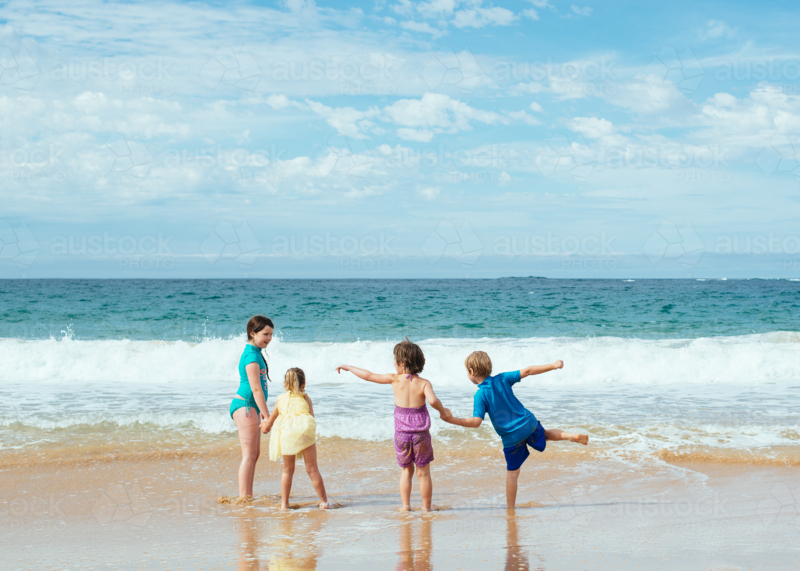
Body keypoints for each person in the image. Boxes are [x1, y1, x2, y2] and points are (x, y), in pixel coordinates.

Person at [441, 351, 588, 508]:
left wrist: (451, 419)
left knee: (512, 473)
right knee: (545, 434)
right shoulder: (503, 378)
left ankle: (510, 509)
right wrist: (553, 365)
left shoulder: (480, 394)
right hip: (528, 423)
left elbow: (476, 422)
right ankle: (571, 436)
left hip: (512, 438)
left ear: (472, 372)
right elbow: (528, 371)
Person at [336, 338, 450, 511]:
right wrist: (443, 411)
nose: (394, 364)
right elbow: (433, 401)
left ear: (402, 363)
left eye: (395, 361)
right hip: (420, 435)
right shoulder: (424, 383)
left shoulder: (394, 379)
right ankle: (427, 508)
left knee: (406, 471)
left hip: (402, 435)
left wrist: (349, 367)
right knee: (423, 473)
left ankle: (405, 506)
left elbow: (368, 376)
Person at [261, 367, 329, 510]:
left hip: (287, 433)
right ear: (303, 384)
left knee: (287, 470)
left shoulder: (280, 400)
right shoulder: (306, 398)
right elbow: (311, 417)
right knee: (312, 469)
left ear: (284, 384)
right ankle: (324, 502)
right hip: (305, 430)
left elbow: (269, 423)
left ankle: (284, 505)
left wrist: (264, 426)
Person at [230, 315, 273, 499]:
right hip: (245, 405)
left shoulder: (256, 352)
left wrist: (263, 412)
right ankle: (244, 498)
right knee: (249, 455)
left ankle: (247, 495)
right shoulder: (251, 356)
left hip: (252, 407)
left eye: (271, 334)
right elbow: (256, 389)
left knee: (254, 454)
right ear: (252, 333)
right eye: (265, 334)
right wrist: (267, 416)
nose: (269, 338)